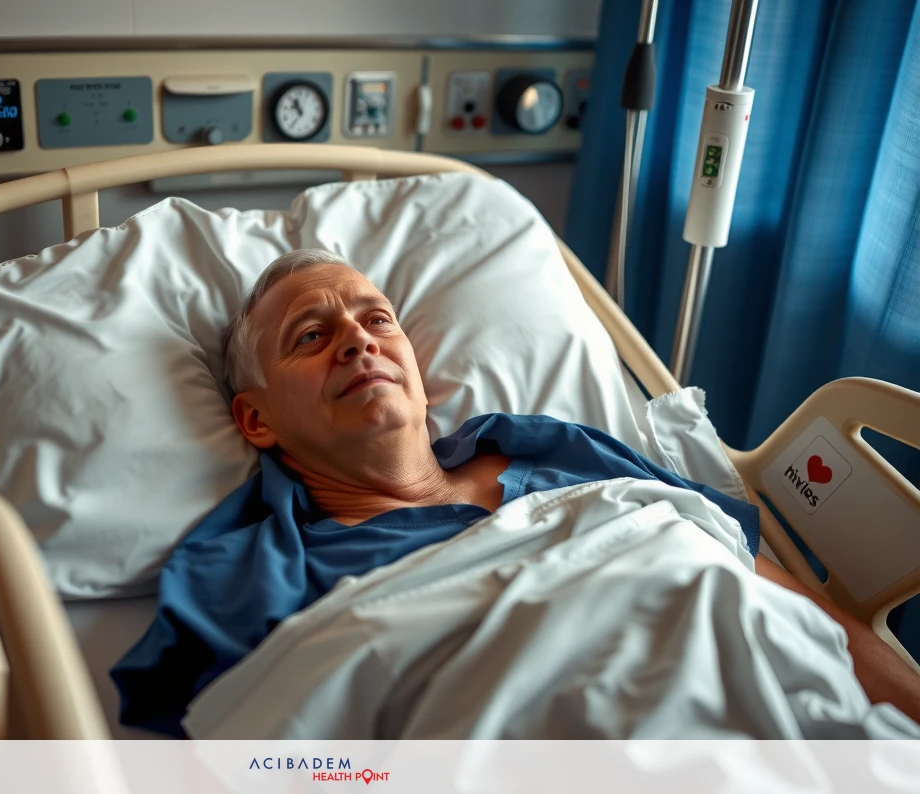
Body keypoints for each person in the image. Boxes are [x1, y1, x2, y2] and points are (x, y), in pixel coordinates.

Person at [111, 249, 920, 736]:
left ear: (420, 375)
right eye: (311, 337)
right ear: (255, 422)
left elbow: (780, 602)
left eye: (377, 320)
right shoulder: (254, 569)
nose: (358, 339)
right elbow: (270, 752)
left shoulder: (557, 451)